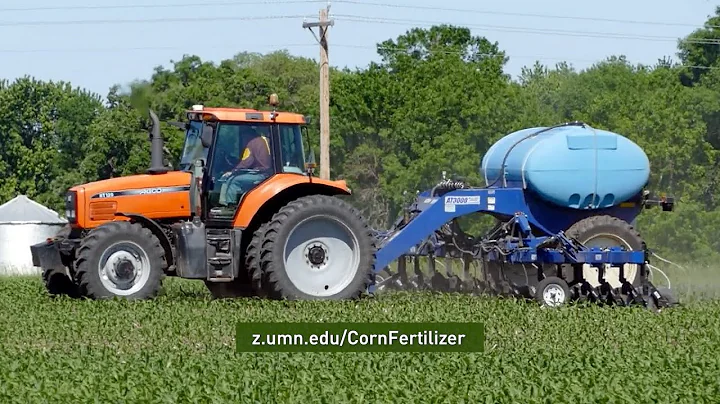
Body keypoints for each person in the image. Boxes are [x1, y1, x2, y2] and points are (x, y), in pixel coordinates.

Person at [218, 127, 272, 206]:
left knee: (233, 180)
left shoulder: (252, 143)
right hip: (269, 174)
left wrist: (232, 172)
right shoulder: (265, 140)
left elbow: (246, 162)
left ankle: (230, 206)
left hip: (260, 175)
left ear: (246, 135)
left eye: (242, 137)